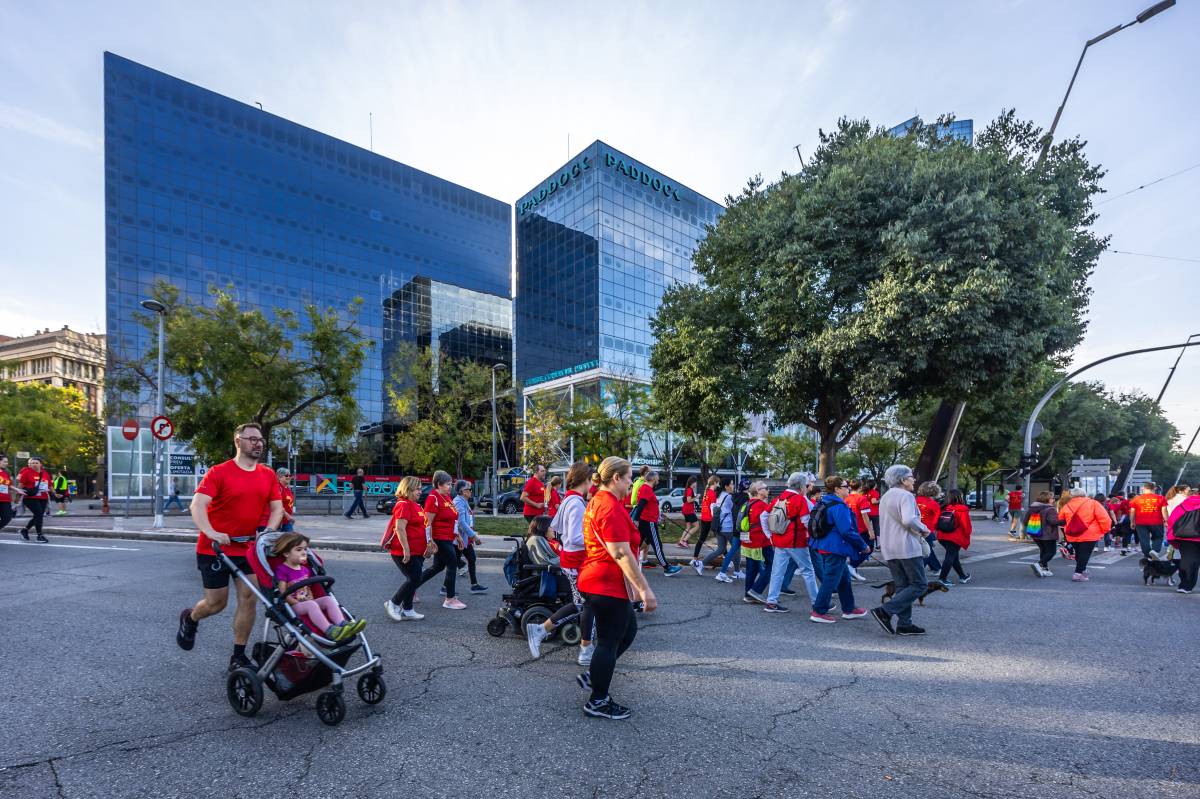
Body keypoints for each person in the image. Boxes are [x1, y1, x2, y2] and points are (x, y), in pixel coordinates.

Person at [176, 422, 283, 671]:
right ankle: (190, 618)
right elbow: (198, 505)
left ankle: (238, 656)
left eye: (260, 440)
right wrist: (211, 532)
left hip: (248, 548)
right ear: (238, 441)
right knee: (216, 603)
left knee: (249, 598)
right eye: (252, 439)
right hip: (214, 548)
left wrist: (269, 531)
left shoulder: (267, 474)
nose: (258, 443)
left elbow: (277, 508)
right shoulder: (218, 472)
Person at [577, 456, 657, 720]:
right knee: (609, 641)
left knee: (628, 631)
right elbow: (621, 553)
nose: (631, 482)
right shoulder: (608, 506)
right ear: (616, 478)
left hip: (604, 581)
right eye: (629, 477)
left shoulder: (601, 501)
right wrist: (645, 590)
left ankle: (598, 675)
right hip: (607, 582)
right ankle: (598, 700)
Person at [527, 461, 595, 664]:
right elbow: (573, 537)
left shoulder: (569, 500)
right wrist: (597, 540)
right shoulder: (575, 503)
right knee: (586, 604)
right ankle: (584, 647)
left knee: (582, 604)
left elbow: (557, 527)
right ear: (586, 479)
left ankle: (584, 647)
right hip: (575, 561)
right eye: (592, 479)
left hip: (572, 560)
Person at [871, 465, 931, 636]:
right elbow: (908, 519)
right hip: (906, 545)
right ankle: (885, 611)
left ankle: (905, 623)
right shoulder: (906, 496)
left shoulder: (886, 496)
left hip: (890, 546)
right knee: (919, 584)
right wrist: (923, 528)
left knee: (903, 586)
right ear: (903, 480)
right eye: (911, 477)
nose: (914, 480)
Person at [272, 532, 363, 641]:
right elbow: (283, 593)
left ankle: (343, 624)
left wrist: (310, 598)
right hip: (294, 605)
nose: (303, 552)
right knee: (311, 605)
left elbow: (308, 587)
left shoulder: (305, 569)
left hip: (308, 601)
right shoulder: (282, 570)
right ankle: (330, 631)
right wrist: (296, 602)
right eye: (299, 549)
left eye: (305, 549)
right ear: (286, 553)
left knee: (327, 599)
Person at [809, 475, 869, 624]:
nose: (848, 488)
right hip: (836, 547)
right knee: (830, 580)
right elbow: (847, 531)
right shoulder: (839, 505)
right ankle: (819, 610)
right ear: (837, 489)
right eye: (845, 486)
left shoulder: (824, 501)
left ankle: (849, 608)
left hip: (823, 544)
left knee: (843, 579)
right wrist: (862, 545)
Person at [763, 472, 819, 613]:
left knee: (777, 572)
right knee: (808, 571)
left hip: (779, 541)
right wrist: (816, 537)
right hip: (796, 542)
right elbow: (806, 521)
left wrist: (769, 535)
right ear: (801, 485)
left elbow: (763, 515)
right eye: (806, 485)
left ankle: (771, 602)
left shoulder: (778, 498)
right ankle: (817, 603)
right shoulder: (799, 499)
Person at [416, 471, 466, 609]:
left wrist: (458, 536)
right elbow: (428, 521)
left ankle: (411, 586)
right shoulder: (433, 498)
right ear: (439, 484)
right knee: (452, 563)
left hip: (449, 537)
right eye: (448, 484)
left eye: (451, 484)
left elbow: (453, 519)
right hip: (439, 538)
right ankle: (450, 599)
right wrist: (429, 540)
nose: (450, 487)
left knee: (437, 567)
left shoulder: (447, 497)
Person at [383, 477, 427, 621]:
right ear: (408, 489)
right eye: (417, 489)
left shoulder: (415, 505)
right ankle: (393, 602)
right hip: (403, 551)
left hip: (418, 551)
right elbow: (400, 529)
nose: (420, 492)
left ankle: (408, 610)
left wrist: (429, 543)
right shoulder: (403, 504)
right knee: (415, 578)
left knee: (414, 578)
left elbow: (423, 527)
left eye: (420, 489)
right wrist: (406, 550)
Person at [630, 470, 682, 576]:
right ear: (653, 479)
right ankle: (667, 568)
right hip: (649, 522)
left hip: (648, 520)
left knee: (638, 544)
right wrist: (636, 520)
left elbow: (648, 506)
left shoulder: (646, 488)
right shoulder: (646, 489)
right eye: (657, 478)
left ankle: (629, 563)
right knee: (657, 544)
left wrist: (659, 515)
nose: (658, 480)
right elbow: (641, 506)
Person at [1058, 487, 1112, 582]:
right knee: (1085, 554)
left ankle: (1082, 570)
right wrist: (1104, 530)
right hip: (1090, 533)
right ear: (1084, 494)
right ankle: (1078, 573)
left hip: (1072, 533)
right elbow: (1104, 518)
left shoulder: (1067, 505)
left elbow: (1060, 519)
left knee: (1079, 554)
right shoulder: (1094, 503)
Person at [741, 481, 775, 604]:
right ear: (758, 491)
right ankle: (756, 590)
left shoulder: (747, 504)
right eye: (765, 488)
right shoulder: (761, 505)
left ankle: (748, 594)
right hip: (761, 540)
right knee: (773, 565)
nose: (767, 490)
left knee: (752, 568)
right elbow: (771, 521)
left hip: (748, 540)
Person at [452, 480, 488, 594]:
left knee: (471, 558)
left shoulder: (464, 501)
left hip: (465, 538)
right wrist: (474, 536)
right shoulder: (458, 502)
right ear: (463, 491)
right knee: (451, 563)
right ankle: (446, 588)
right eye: (469, 489)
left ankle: (474, 585)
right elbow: (461, 522)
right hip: (459, 539)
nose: (471, 491)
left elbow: (467, 520)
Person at [703, 476, 740, 581]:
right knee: (736, 548)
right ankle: (737, 572)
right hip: (728, 527)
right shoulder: (728, 497)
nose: (733, 486)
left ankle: (701, 564)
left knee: (721, 549)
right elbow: (735, 509)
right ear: (726, 486)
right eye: (732, 484)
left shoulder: (719, 495)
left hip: (719, 526)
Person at [934, 489, 973, 586]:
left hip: (942, 536)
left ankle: (962, 576)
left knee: (953, 556)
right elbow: (966, 525)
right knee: (950, 556)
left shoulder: (943, 507)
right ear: (959, 497)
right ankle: (942, 578)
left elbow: (935, 522)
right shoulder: (962, 508)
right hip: (955, 537)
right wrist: (967, 535)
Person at [1166, 491, 1200, 594]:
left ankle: (1185, 585)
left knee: (1188, 560)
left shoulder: (1185, 504)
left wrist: (1171, 536)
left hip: (1185, 537)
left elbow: (1173, 520)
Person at [1023, 491, 1061, 577]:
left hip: (1035, 534)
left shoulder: (1032, 508)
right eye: (1052, 498)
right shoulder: (1051, 509)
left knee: (1043, 551)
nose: (1053, 500)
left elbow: (1025, 521)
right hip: (1048, 534)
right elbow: (1053, 521)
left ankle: (1044, 568)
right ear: (1047, 499)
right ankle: (1040, 564)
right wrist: (1063, 521)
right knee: (1051, 552)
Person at [17, 457, 52, 543]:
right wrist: (17, 497)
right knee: (39, 514)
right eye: (32, 463)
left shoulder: (45, 473)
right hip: (30, 497)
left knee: (38, 515)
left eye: (36, 463)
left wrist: (55, 493)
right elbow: (20, 485)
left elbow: (50, 485)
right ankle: (39, 535)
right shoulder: (26, 472)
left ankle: (25, 530)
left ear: (40, 464)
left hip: (43, 497)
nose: (34, 464)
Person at [1128, 482, 1167, 558]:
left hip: (1140, 522)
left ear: (1143, 488)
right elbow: (1164, 510)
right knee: (1158, 537)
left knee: (1144, 539)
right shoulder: (1161, 498)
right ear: (1154, 488)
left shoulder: (1136, 499)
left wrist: (1132, 522)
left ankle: (1147, 554)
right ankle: (1155, 551)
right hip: (1157, 522)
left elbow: (1132, 511)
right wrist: (1166, 520)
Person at [845, 480, 874, 581]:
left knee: (855, 550)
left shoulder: (846, 498)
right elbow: (865, 516)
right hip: (861, 529)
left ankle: (852, 570)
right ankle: (852, 567)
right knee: (869, 548)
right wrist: (870, 530)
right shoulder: (861, 498)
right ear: (860, 487)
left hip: (850, 528)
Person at [690, 475, 719, 571]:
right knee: (720, 539)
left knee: (701, 539)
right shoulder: (713, 494)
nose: (718, 484)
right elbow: (713, 509)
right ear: (714, 483)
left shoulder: (706, 492)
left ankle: (694, 559)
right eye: (717, 482)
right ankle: (728, 559)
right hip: (710, 519)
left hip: (704, 519)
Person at [914, 481, 943, 574]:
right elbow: (936, 520)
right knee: (927, 551)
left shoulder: (915, 500)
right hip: (928, 530)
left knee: (927, 549)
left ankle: (936, 567)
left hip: (915, 528)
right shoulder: (934, 504)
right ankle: (919, 571)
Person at [677, 475, 699, 548]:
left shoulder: (689, 489)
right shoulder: (690, 490)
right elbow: (688, 500)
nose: (696, 484)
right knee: (696, 526)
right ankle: (684, 541)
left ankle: (681, 541)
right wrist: (696, 497)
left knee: (688, 527)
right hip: (688, 511)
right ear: (692, 482)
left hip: (687, 510)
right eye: (695, 482)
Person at [276, 467, 296, 532]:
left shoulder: (287, 488)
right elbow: (277, 505)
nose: (289, 477)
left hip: (287, 521)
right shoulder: (278, 488)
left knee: (290, 540)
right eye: (286, 475)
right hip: (279, 522)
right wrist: (288, 516)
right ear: (279, 477)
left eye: (290, 475)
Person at [0, 455, 16, 534]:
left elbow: (9, 484)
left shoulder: (5, 473)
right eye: (4, 461)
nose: (6, 463)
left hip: (5, 499)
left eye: (7, 461)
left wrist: (18, 490)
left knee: (7, 518)